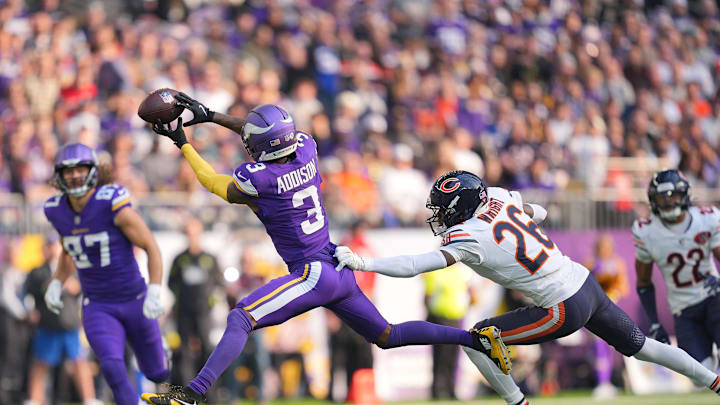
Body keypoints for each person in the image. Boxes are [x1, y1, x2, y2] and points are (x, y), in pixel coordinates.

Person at [140, 97, 502, 405]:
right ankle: (474, 339)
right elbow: (268, 138)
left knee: (241, 318)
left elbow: (209, 181)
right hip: (339, 266)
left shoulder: (261, 180)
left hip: (312, 273)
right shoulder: (307, 149)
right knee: (387, 335)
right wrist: (213, 116)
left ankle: (192, 395)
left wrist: (182, 141)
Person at [335, 170, 720, 405]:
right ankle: (714, 381)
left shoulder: (468, 235)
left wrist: (364, 262)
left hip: (562, 304)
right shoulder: (500, 198)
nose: (437, 215)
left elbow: (416, 265)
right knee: (644, 347)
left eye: (442, 207)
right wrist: (520, 218)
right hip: (583, 282)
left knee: (479, 338)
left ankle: (517, 403)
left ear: (458, 207)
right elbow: (543, 212)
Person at [43, 143, 169, 405]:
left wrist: (155, 288)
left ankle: (161, 354)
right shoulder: (56, 209)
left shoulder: (111, 202)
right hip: (97, 304)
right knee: (111, 365)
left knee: (158, 371)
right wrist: (57, 280)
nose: (75, 175)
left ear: (93, 171)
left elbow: (150, 246)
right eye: (68, 171)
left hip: (134, 299)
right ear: (59, 175)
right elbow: (70, 247)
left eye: (80, 169)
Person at [633, 169, 720, 372]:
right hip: (683, 309)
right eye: (662, 198)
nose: (668, 202)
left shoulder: (706, 218)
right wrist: (654, 323)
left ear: (685, 195)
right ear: (653, 201)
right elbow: (644, 282)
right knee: (700, 373)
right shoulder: (646, 230)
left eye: (673, 196)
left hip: (714, 298)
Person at [24, 234, 100, 405]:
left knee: (80, 362)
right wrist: (58, 284)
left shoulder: (74, 270)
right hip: (48, 325)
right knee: (41, 363)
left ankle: (89, 399)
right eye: (49, 246)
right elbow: (38, 288)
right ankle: (35, 399)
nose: (52, 249)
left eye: (55, 246)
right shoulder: (38, 271)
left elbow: (80, 288)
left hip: (69, 326)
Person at [168, 217, 222, 385]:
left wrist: (211, 303)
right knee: (184, 353)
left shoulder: (210, 259)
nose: (192, 237)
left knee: (207, 350)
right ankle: (187, 392)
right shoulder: (179, 259)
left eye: (195, 233)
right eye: (189, 233)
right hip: (184, 312)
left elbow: (219, 283)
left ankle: (210, 393)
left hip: (204, 313)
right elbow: (171, 283)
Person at [584, 233, 629, 398]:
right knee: (598, 346)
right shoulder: (591, 262)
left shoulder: (617, 263)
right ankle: (601, 383)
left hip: (611, 307)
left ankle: (607, 383)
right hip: (594, 308)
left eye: (607, 246)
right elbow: (585, 285)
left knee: (608, 346)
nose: (605, 249)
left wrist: (612, 285)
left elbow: (624, 287)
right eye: (602, 246)